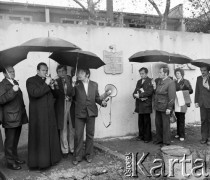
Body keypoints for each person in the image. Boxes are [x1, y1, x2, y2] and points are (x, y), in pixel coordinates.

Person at [26, 62, 61, 169]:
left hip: (50, 114)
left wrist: (54, 86)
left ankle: (52, 160)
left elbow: (57, 95)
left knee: (50, 136)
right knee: (41, 138)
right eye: (43, 70)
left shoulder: (48, 81)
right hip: (39, 116)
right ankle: (41, 163)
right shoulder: (30, 80)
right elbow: (35, 93)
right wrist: (46, 84)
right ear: (37, 71)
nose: (45, 72)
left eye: (46, 70)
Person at [72, 68, 107, 165]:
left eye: (81, 72)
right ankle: (77, 156)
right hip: (79, 113)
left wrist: (102, 102)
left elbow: (96, 98)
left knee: (90, 135)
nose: (79, 74)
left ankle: (89, 155)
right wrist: (72, 84)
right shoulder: (76, 84)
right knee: (78, 135)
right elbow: (70, 95)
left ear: (87, 74)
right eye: (78, 72)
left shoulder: (94, 84)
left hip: (91, 112)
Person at [0, 66, 28, 170]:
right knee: (10, 141)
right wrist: (12, 90)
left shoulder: (14, 82)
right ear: (4, 74)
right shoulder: (2, 84)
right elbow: (1, 99)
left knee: (15, 140)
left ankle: (15, 158)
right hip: (10, 117)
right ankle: (10, 162)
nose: (12, 73)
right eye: (10, 71)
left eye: (13, 71)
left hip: (18, 116)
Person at [54, 65, 75, 158]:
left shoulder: (72, 79)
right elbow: (55, 95)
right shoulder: (56, 81)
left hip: (71, 105)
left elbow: (75, 93)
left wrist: (71, 94)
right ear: (57, 73)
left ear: (66, 71)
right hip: (61, 106)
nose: (61, 73)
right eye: (59, 71)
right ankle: (64, 150)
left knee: (72, 127)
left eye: (63, 71)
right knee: (63, 128)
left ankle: (72, 148)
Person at [153, 66, 176, 146]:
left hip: (165, 107)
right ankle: (159, 139)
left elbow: (172, 96)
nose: (159, 73)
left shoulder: (170, 82)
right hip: (158, 106)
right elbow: (157, 92)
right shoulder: (159, 81)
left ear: (165, 73)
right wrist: (154, 87)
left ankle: (166, 141)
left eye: (160, 72)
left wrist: (169, 108)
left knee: (165, 125)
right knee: (158, 124)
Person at [133, 67, 153, 143]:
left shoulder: (150, 81)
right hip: (139, 104)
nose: (141, 75)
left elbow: (149, 92)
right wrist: (134, 94)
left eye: (143, 73)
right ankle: (141, 136)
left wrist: (140, 95)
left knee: (146, 122)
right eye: (140, 74)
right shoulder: (139, 81)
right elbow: (135, 90)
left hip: (146, 104)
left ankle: (147, 137)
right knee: (140, 121)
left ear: (146, 73)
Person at [174, 68, 193, 141]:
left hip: (182, 101)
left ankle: (182, 135)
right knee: (177, 117)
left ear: (182, 74)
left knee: (181, 118)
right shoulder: (174, 82)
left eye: (178, 73)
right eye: (176, 73)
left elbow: (191, 90)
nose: (177, 74)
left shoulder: (186, 81)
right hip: (176, 101)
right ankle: (178, 133)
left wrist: (182, 91)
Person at [195, 66, 210, 145]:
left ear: (208, 71)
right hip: (202, 103)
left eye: (204, 70)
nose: (202, 72)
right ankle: (204, 138)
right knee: (203, 121)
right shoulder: (199, 78)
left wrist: (207, 87)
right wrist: (196, 101)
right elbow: (197, 90)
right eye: (201, 70)